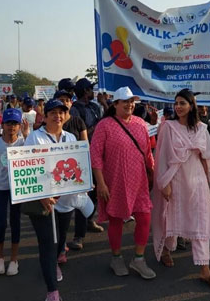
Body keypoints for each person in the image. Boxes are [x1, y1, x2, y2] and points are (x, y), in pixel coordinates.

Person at [152, 90, 210, 289]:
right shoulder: (168, 127)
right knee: (172, 216)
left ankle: (205, 269)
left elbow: (207, 156)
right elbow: (162, 157)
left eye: (182, 103)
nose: (178, 107)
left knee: (201, 221)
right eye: (176, 103)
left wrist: (207, 182)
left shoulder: (201, 128)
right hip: (175, 179)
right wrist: (164, 183)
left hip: (197, 180)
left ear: (192, 106)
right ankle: (167, 249)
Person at [90, 86, 156, 280]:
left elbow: (147, 152)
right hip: (115, 181)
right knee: (116, 220)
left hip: (139, 181)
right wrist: (101, 183)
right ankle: (116, 257)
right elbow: (95, 155)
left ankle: (139, 259)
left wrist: (152, 172)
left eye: (132, 101)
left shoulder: (141, 123)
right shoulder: (104, 125)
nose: (129, 105)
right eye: (125, 101)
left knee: (145, 218)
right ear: (115, 104)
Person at [23, 98, 80, 301]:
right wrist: (42, 195)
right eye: (53, 112)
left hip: (65, 200)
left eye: (61, 112)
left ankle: (53, 262)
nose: (58, 116)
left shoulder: (71, 137)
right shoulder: (34, 138)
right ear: (44, 116)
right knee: (47, 242)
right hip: (42, 201)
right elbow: (28, 168)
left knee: (60, 238)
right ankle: (52, 294)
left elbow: (77, 166)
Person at [0, 108, 27, 276]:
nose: (12, 127)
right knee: (1, 223)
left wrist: (27, 134)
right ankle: (0, 256)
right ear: (2, 125)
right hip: (0, 189)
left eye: (15, 123)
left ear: (19, 125)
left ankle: (14, 258)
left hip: (18, 190)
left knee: (15, 223)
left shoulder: (24, 143)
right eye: (8, 123)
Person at [52, 90, 91, 252]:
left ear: (71, 103)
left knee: (79, 203)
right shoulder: (51, 124)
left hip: (74, 172)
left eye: (67, 100)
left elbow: (84, 146)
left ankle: (78, 236)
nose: (64, 103)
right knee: (59, 211)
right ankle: (59, 244)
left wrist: (86, 175)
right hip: (56, 174)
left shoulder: (77, 121)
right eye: (61, 100)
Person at [71, 78, 104, 233]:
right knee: (84, 192)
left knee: (96, 190)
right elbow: (77, 134)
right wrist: (95, 127)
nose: (93, 92)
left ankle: (90, 219)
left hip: (99, 152)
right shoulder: (75, 110)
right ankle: (80, 232)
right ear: (85, 91)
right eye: (90, 89)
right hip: (84, 155)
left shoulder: (95, 106)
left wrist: (104, 103)